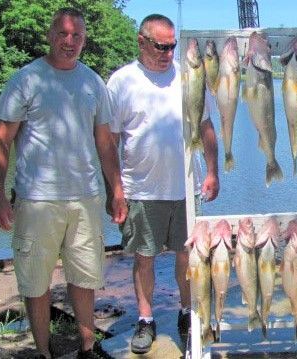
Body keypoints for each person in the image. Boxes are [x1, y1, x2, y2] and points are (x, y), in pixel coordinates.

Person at [0, 7, 127, 359]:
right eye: (63, 34)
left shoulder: (93, 82)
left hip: (85, 199)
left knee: (85, 278)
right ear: (50, 36)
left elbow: (106, 144)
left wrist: (117, 190)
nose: (69, 41)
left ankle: (86, 347)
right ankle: (44, 352)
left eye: (76, 35)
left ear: (84, 40)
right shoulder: (26, 80)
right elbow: (1, 142)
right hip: (37, 200)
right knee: (36, 283)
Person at [106, 14, 220, 355]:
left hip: (186, 188)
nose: (168, 52)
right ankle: (145, 319)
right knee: (144, 257)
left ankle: (188, 313)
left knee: (187, 257)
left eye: (172, 46)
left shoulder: (189, 77)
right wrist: (115, 189)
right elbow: (109, 142)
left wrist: (213, 170)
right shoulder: (122, 82)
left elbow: (206, 126)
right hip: (140, 189)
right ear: (141, 42)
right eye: (161, 46)